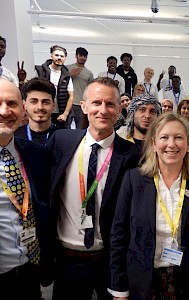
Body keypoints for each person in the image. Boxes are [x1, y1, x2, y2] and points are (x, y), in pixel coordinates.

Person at [48, 77, 140, 300]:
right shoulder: (61, 141)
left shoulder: (133, 155)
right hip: (67, 260)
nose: (103, 110)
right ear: (84, 106)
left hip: (109, 261)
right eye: (96, 102)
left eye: (110, 104)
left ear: (119, 110)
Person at [109, 113, 189, 299]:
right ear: (154, 143)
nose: (171, 144)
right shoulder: (134, 180)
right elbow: (119, 236)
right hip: (142, 282)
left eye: (179, 137)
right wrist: (119, 289)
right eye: (164, 137)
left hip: (186, 281)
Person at [0, 79, 51, 299]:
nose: (4, 111)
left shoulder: (34, 154)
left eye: (11, 103)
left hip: (28, 270)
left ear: (22, 110)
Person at [35, 45, 74, 129]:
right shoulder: (40, 71)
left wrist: (65, 114)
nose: (59, 58)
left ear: (65, 59)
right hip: (44, 112)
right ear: (51, 56)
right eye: (56, 55)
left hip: (60, 114)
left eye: (62, 56)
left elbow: (71, 96)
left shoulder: (66, 75)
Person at [15, 77, 59, 145]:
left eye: (46, 102)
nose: (40, 107)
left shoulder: (64, 138)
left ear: (53, 105)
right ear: (24, 105)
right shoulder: (13, 137)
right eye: (34, 102)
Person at [66, 47, 94, 129]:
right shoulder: (67, 68)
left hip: (81, 104)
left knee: (81, 128)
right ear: (76, 56)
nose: (83, 58)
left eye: (85, 56)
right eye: (81, 55)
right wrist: (70, 75)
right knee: (66, 127)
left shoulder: (89, 73)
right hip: (68, 103)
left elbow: (91, 90)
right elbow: (60, 81)